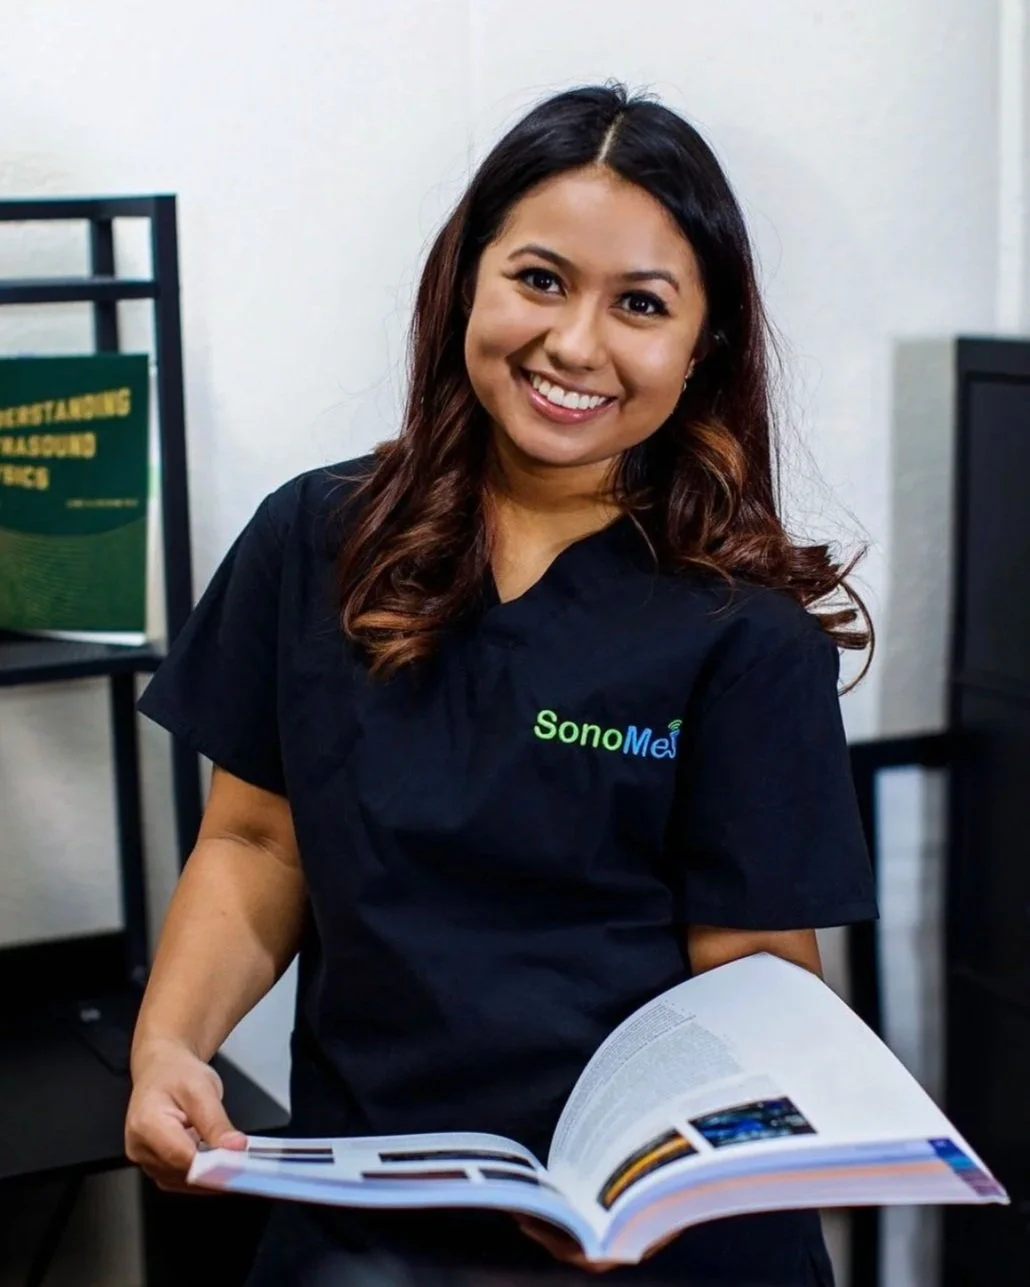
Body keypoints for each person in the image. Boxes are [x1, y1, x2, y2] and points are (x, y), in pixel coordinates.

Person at [125, 82, 877, 1286]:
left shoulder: (743, 629)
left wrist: (652, 1189)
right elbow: (260, 843)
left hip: (650, 1237)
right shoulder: (314, 539)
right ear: (465, 280)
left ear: (703, 346)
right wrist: (170, 1046)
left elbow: (753, 973)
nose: (574, 344)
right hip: (367, 1224)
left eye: (639, 304)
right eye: (539, 279)